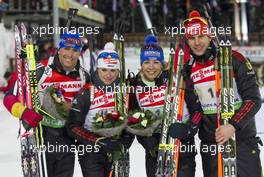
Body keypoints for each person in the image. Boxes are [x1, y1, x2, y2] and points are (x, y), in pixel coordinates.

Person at [169, 10, 262, 177]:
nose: (197, 42)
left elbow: (253, 100)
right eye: (192, 38)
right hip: (211, 145)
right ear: (187, 41)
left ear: (209, 36)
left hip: (242, 140)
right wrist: (189, 128)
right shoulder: (188, 71)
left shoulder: (234, 59)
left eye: (201, 36)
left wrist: (233, 125)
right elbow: (197, 111)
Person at [3, 31, 90, 177]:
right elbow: (9, 97)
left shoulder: (83, 76)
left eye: (75, 50)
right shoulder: (40, 70)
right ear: (59, 49)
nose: (70, 54)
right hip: (42, 138)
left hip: (68, 141)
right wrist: (24, 113)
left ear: (80, 52)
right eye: (67, 48)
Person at [128, 34, 201, 177]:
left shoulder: (177, 79)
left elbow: (197, 111)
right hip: (155, 152)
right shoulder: (134, 86)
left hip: (181, 147)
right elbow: (133, 118)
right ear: (141, 64)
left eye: (156, 62)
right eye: (147, 62)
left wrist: (188, 130)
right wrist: (145, 139)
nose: (151, 67)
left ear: (162, 63)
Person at [67, 42, 129, 177]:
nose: (108, 75)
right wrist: (98, 141)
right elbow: (72, 126)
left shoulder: (124, 91)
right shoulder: (87, 92)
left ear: (118, 71)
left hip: (116, 150)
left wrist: (124, 141)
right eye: (104, 69)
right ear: (97, 69)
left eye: (113, 70)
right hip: (91, 152)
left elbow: (132, 120)